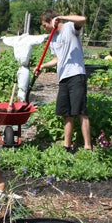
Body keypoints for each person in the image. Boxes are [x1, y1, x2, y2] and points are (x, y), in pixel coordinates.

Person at [36, 10, 92, 152]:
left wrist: (61, 17)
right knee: (66, 113)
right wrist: (42, 66)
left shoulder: (69, 28)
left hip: (76, 74)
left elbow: (83, 19)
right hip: (63, 77)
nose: (44, 28)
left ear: (52, 20)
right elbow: (57, 59)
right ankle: (67, 146)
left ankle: (87, 147)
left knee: (80, 111)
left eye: (44, 25)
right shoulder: (53, 38)